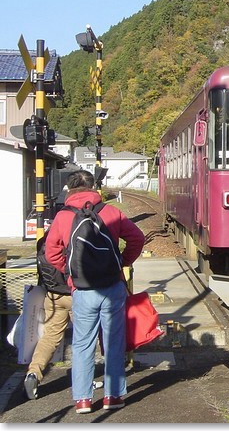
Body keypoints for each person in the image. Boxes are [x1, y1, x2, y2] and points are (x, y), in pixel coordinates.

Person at [45, 170, 145, 414]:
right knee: (113, 341)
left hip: (82, 289)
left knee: (82, 344)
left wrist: (71, 275)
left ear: (69, 190)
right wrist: (122, 262)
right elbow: (137, 239)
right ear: (94, 187)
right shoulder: (110, 212)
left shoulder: (63, 217)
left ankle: (82, 400)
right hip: (112, 287)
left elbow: (52, 254)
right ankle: (114, 396)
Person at [23, 235, 73, 400]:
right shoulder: (73, 238)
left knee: (50, 337)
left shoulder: (43, 242)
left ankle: (33, 373)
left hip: (52, 296)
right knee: (84, 338)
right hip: (75, 294)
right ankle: (84, 381)